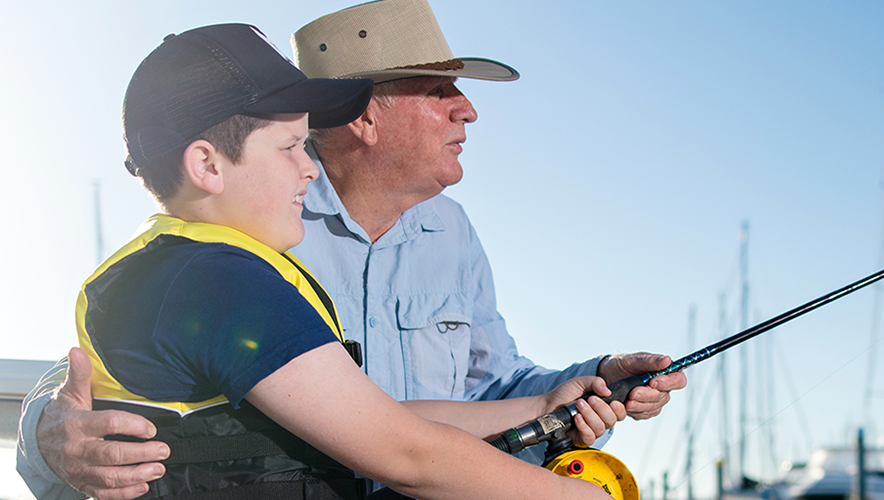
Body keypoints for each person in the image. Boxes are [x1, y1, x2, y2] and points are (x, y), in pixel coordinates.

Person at [17, 1, 687, 499]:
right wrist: (47, 434)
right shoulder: (231, 263)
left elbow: (390, 410)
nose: (468, 111)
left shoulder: (448, 235)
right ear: (362, 115)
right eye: (437, 89)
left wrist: (566, 393)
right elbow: (400, 449)